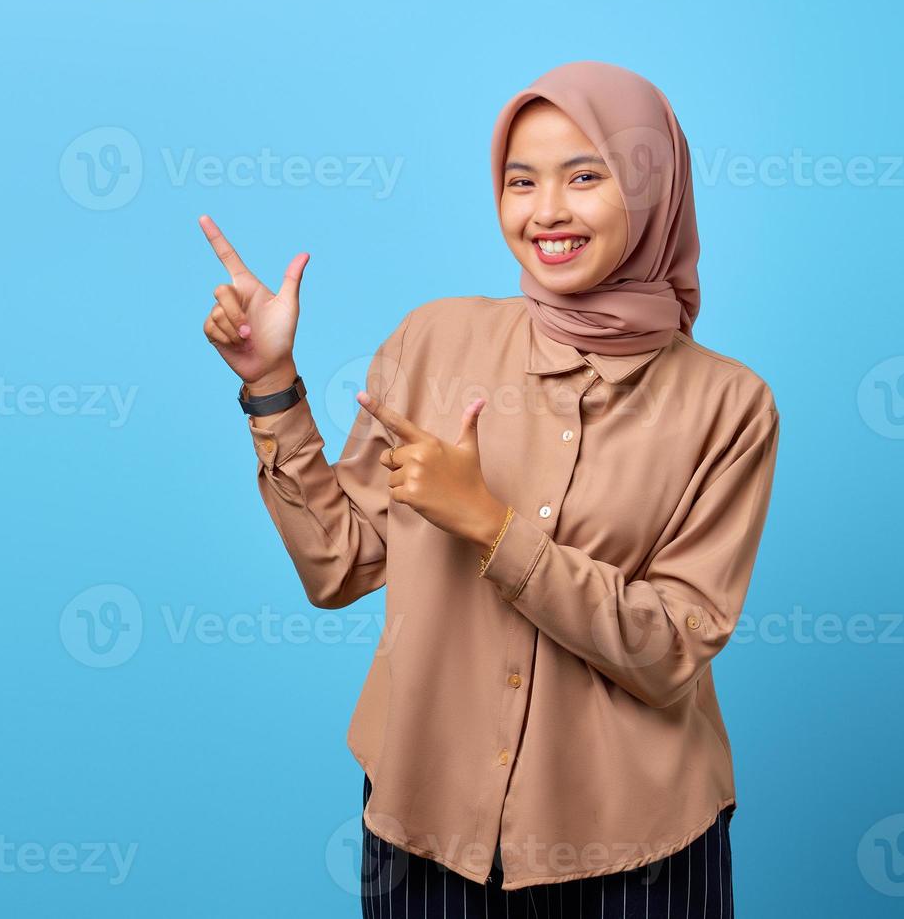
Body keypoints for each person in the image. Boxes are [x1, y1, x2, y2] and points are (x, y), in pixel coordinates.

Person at [198, 60, 780, 917]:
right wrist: (272, 385)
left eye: (586, 176)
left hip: (637, 852)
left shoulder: (728, 405)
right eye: (520, 180)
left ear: (652, 188)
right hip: (424, 831)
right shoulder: (433, 341)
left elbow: (668, 651)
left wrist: (489, 525)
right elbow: (339, 567)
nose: (545, 211)